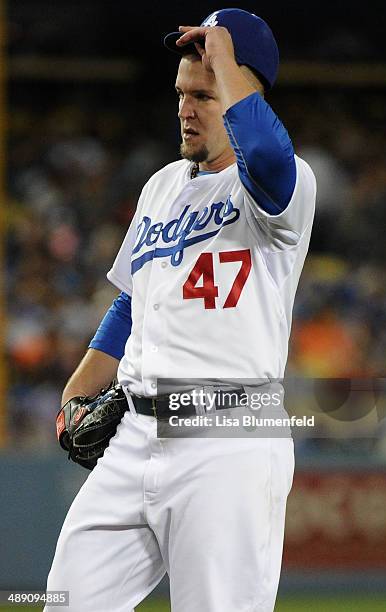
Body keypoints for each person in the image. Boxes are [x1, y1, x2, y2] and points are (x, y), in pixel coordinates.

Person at [45, 8, 316, 612]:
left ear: (245, 91)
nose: (186, 109)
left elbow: (268, 158)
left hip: (229, 437)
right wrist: (77, 389)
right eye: (180, 94)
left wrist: (227, 54)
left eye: (205, 93)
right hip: (134, 433)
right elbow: (132, 299)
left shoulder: (285, 183)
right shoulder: (163, 185)